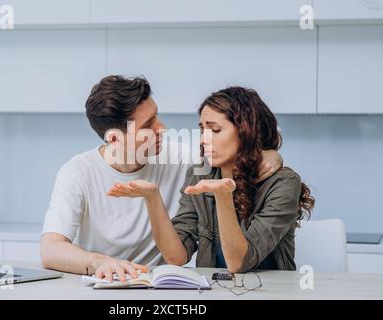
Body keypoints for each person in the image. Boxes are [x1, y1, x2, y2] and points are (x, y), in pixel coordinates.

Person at [41, 76, 283, 281]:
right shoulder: (77, 172)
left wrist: (271, 154)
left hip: (156, 287)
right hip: (102, 285)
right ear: (115, 139)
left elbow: (236, 148)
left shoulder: (180, 158)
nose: (162, 128)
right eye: (149, 125)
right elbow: (50, 249)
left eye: (156, 116)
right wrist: (99, 263)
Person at [108, 86, 315, 273]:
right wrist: (152, 198)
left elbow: (239, 263)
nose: (203, 139)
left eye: (215, 130)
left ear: (247, 132)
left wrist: (222, 196)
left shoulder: (282, 183)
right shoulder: (200, 173)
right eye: (202, 129)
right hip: (215, 292)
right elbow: (176, 257)